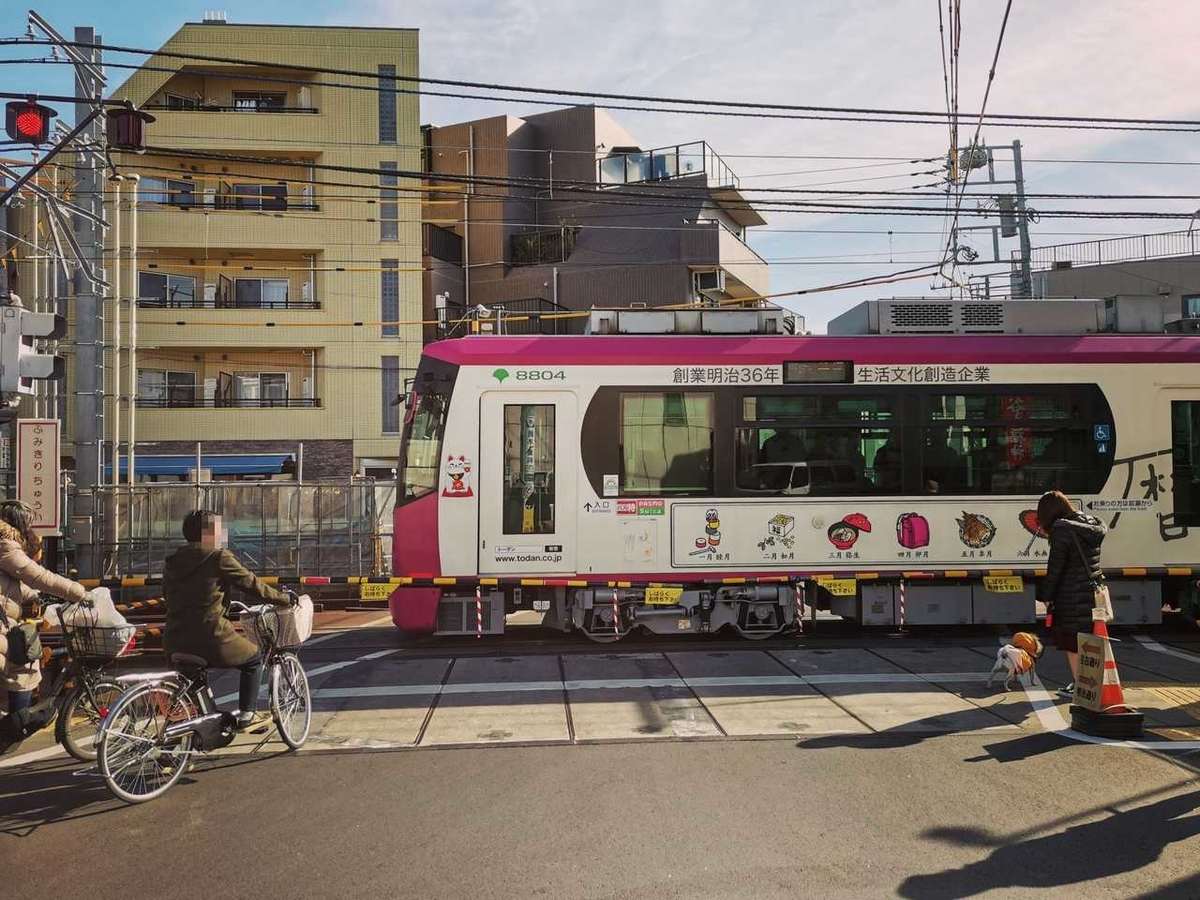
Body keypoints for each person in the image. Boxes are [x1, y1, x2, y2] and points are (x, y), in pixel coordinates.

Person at [162, 510, 293, 730]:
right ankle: (247, 714)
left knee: (192, 688)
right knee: (253, 658)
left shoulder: (173, 561)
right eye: (219, 529)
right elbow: (251, 584)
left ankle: (196, 732)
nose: (223, 533)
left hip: (174, 638)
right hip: (211, 636)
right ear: (208, 532)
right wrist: (283, 599)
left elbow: (168, 594)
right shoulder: (217, 557)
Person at [0, 500, 88, 718]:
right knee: (22, 667)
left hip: (5, 620)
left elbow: (13, 583)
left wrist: (33, 597)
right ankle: (16, 725)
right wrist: (78, 592)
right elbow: (38, 576)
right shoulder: (5, 544)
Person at [1037, 490, 1107, 697]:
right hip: (1090, 591)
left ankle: (1079, 684)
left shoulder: (1061, 529)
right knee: (1088, 641)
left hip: (1070, 594)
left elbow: (1056, 568)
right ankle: (1090, 684)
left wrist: (1045, 595)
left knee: (1072, 642)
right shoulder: (1091, 522)